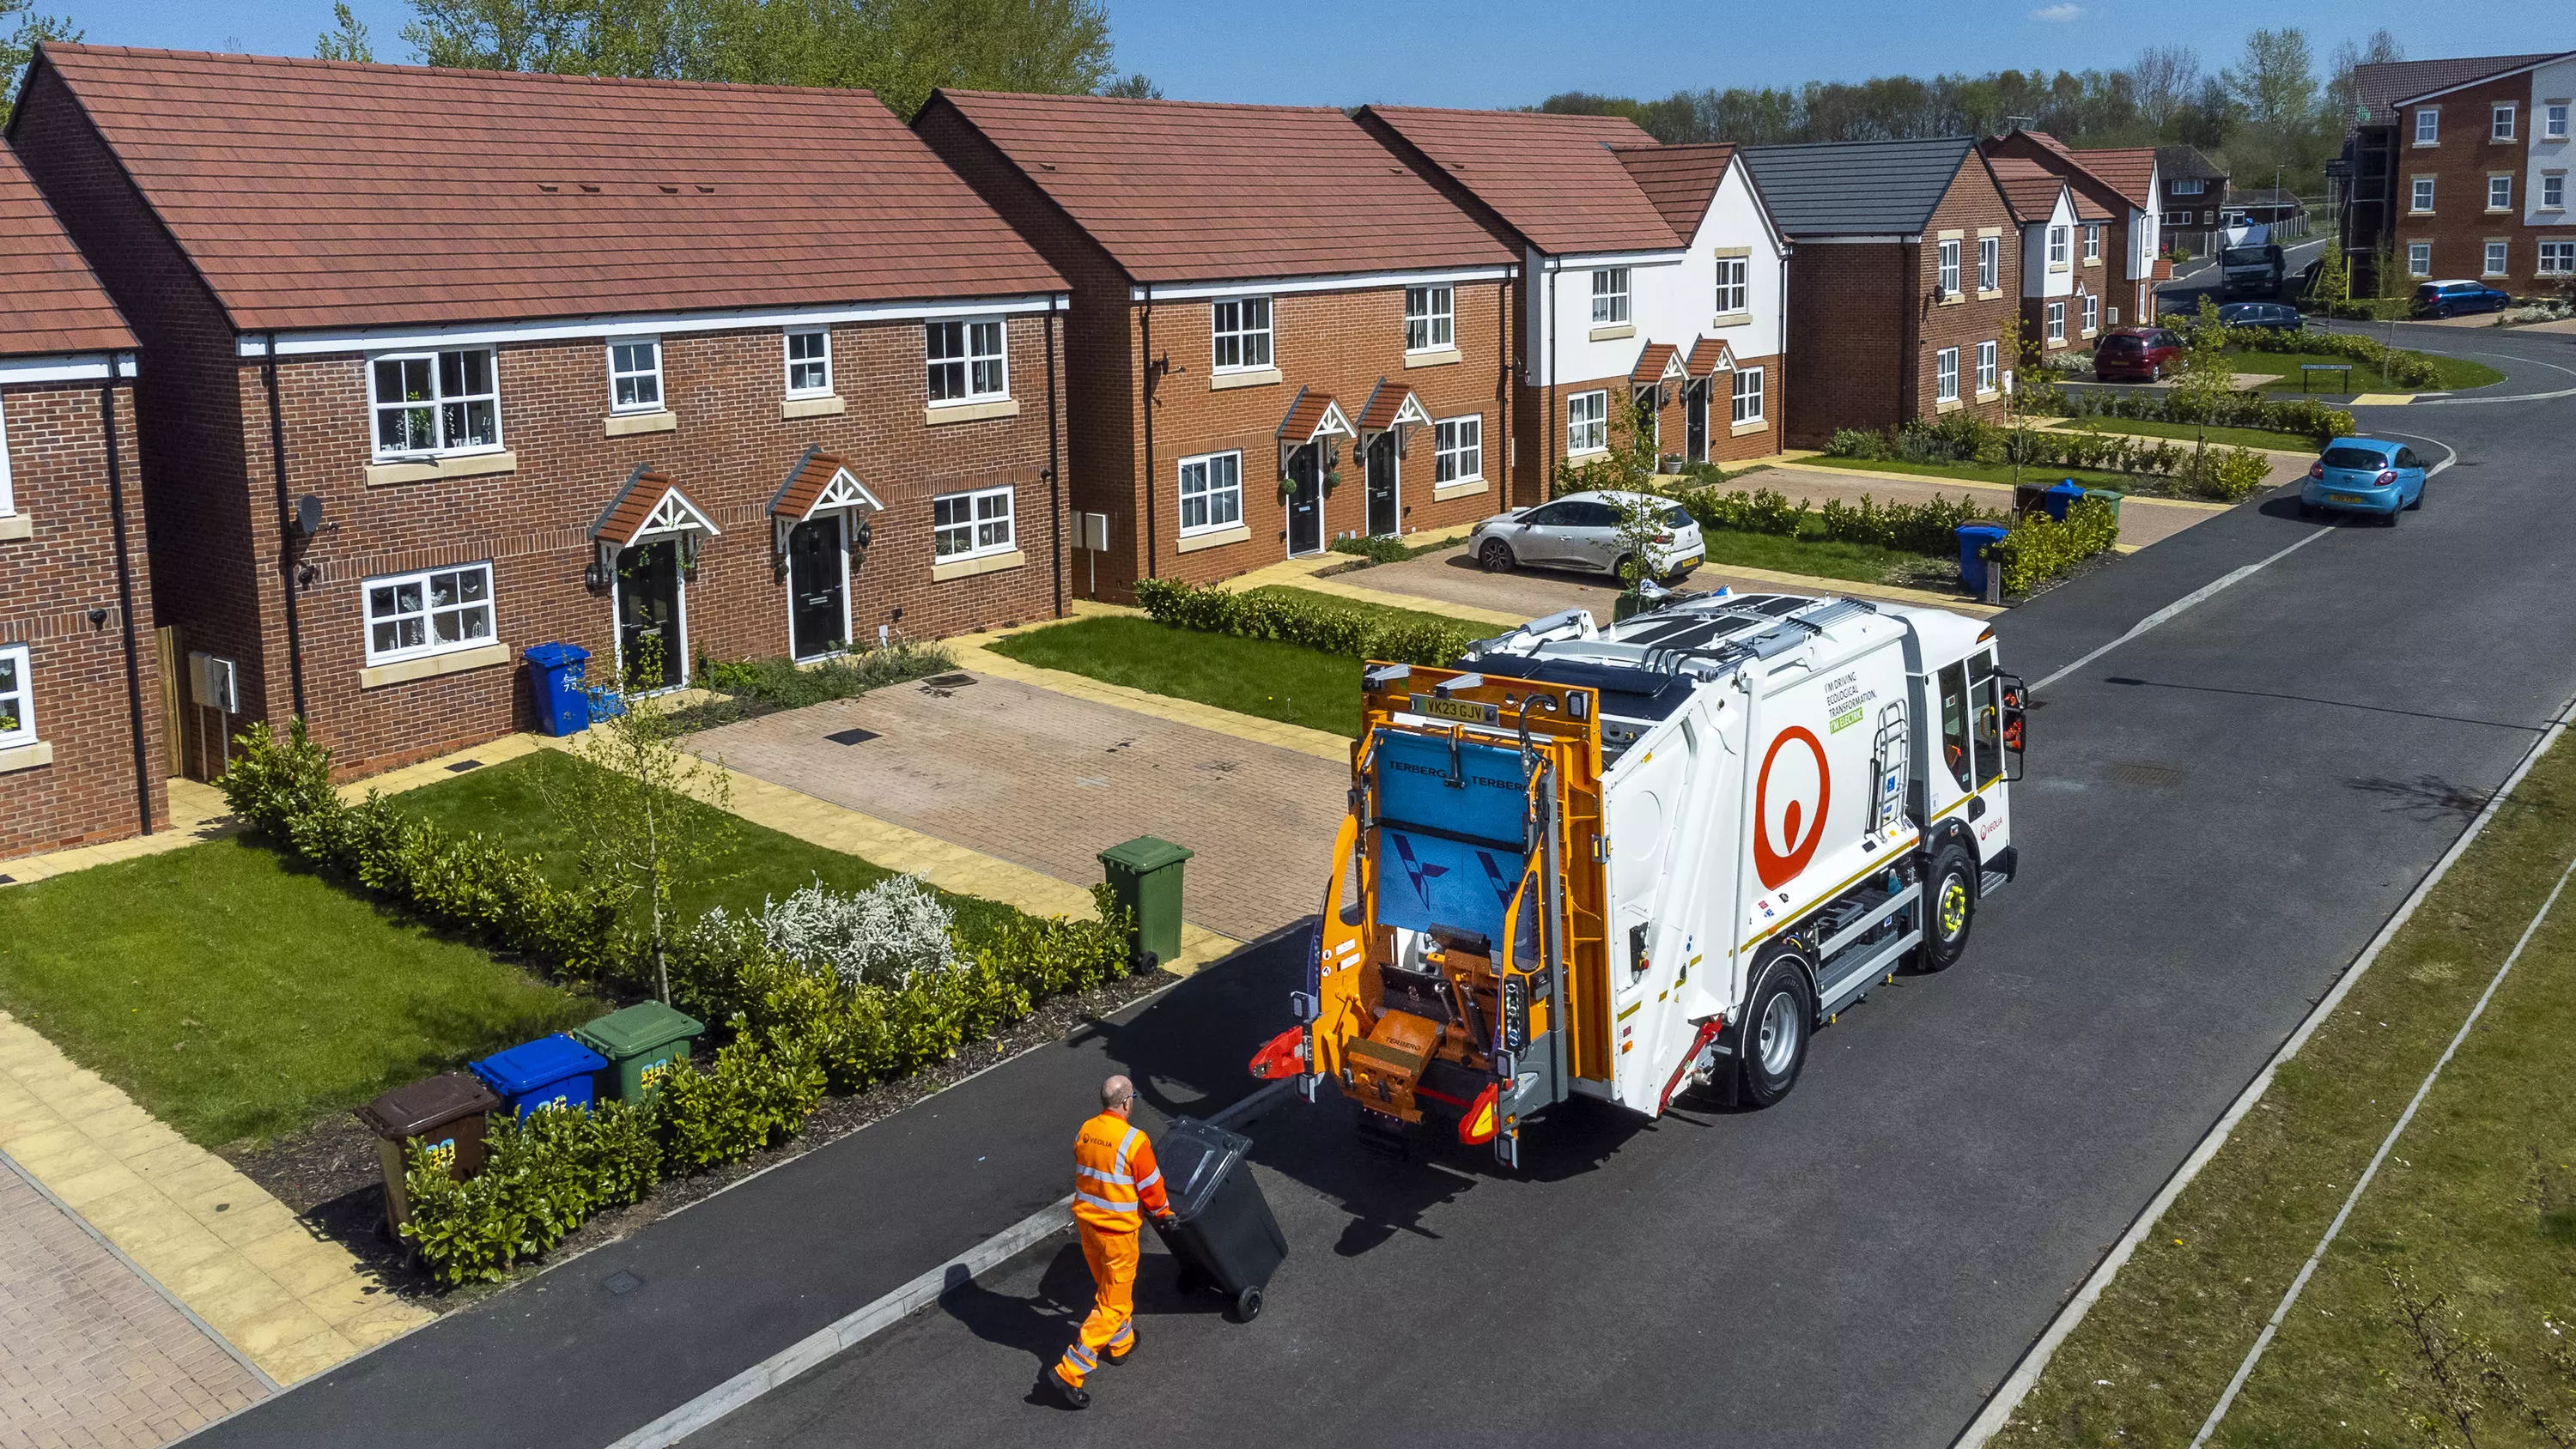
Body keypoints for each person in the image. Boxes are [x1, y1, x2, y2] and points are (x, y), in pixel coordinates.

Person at [1044, 1075, 1170, 1410]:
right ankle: (1070, 1371)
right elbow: (1152, 1186)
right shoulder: (1134, 1140)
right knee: (1112, 1304)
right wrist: (1163, 1213)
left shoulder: (1085, 1130)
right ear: (1128, 1102)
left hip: (1088, 1228)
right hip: (1117, 1234)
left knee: (1108, 1288)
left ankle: (1120, 1344)